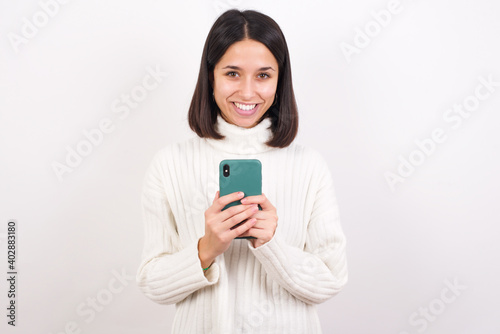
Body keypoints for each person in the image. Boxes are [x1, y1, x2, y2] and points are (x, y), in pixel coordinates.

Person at [136, 9, 347, 334]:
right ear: (211, 76)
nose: (248, 93)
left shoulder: (308, 166)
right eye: (232, 73)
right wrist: (206, 248)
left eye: (263, 75)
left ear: (279, 79)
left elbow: (331, 279)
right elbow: (152, 283)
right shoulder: (170, 164)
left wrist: (270, 244)